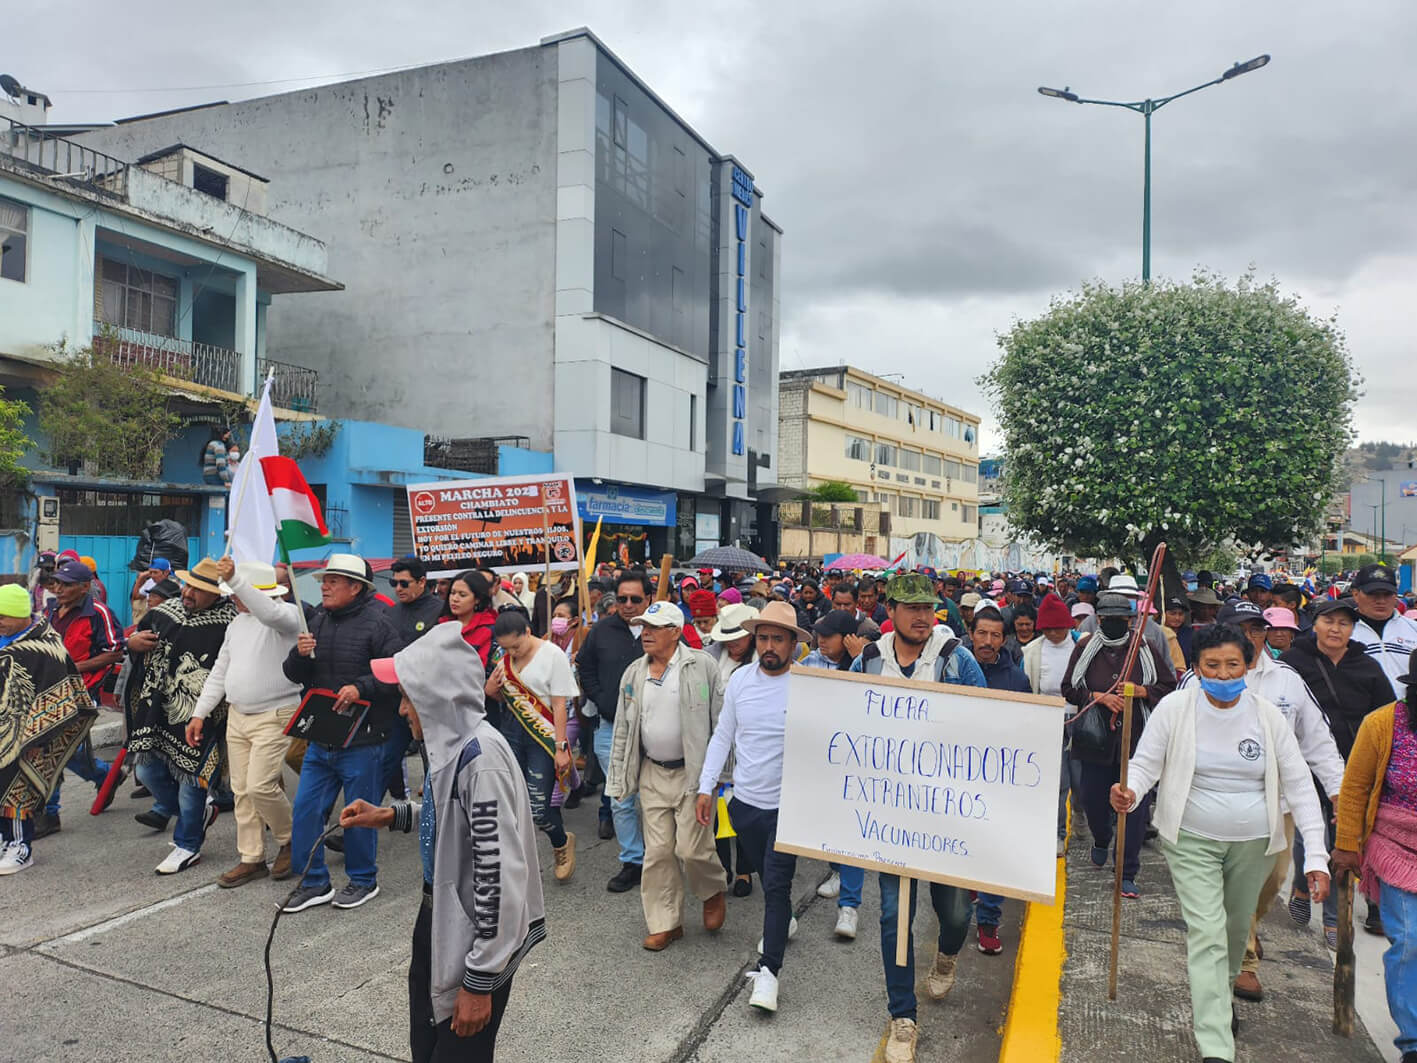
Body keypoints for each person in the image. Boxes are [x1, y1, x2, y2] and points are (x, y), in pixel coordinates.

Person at [1110, 624, 1331, 1063]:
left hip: (1254, 844)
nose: (1224, 674)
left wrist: (1318, 857)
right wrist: (1129, 791)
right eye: (1213, 665)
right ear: (1196, 668)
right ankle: (1215, 1045)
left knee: (1233, 932)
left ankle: (1220, 991)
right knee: (1207, 933)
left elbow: (1301, 787)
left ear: (1248, 666)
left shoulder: (1266, 716)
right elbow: (1144, 764)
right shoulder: (1176, 709)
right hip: (1191, 839)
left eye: (1233, 665)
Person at [342, 621, 545, 1063]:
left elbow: (497, 875)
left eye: (406, 696)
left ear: (436, 695)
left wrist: (480, 981)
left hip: (473, 931)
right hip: (441, 918)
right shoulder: (452, 746)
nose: (401, 710)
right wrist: (390, 815)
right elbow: (451, 820)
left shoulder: (480, 759)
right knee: (428, 1044)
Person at [846, 573, 986, 1063]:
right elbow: (847, 725)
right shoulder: (868, 661)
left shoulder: (956, 661)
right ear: (892, 611)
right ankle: (902, 1015)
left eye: (929, 607)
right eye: (912, 609)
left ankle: (948, 952)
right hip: (892, 818)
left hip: (946, 817)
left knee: (954, 913)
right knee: (893, 914)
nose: (923, 617)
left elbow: (988, 725)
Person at [1176, 598, 1346, 1001]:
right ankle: (1243, 961)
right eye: (1241, 629)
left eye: (1256, 629)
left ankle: (1243, 929)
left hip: (1276, 807)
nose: (1249, 637)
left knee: (1271, 883)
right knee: (1227, 891)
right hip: (1212, 809)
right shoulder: (1195, 681)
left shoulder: (1287, 681)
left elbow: (1318, 742)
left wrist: (1338, 790)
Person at [694, 600, 810, 1014]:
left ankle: (770, 972)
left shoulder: (808, 684)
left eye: (778, 638)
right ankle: (785, 923)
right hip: (744, 804)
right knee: (763, 870)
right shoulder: (741, 680)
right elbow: (723, 736)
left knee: (776, 885)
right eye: (763, 638)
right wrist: (706, 786)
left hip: (787, 807)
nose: (770, 646)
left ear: (794, 643)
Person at [280, 553, 403, 913]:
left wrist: (360, 688)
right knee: (305, 810)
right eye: (324, 580)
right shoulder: (316, 620)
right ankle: (314, 882)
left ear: (356, 587)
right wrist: (300, 655)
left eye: (333, 581)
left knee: (358, 813)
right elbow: (294, 673)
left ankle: (364, 880)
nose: (325, 586)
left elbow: (396, 673)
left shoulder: (379, 624)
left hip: (363, 739)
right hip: (321, 736)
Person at [605, 601, 726, 950]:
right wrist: (619, 778)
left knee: (691, 849)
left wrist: (719, 776)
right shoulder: (634, 673)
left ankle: (712, 889)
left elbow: (720, 722)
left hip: (693, 774)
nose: (646, 633)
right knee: (657, 853)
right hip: (652, 772)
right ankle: (666, 922)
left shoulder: (701, 665)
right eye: (644, 627)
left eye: (654, 628)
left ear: (675, 632)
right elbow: (624, 730)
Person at [1280, 596, 1395, 941]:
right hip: (1305, 762)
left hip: (1356, 766)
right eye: (1329, 621)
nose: (1336, 629)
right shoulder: (1293, 662)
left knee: (1346, 837)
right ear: (1314, 624)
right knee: (1310, 831)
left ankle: (1328, 910)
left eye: (1344, 623)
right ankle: (1316, 899)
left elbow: (1386, 714)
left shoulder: (1367, 667)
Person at [184, 558, 304, 888]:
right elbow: (220, 671)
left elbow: (269, 612)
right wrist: (199, 713)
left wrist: (237, 579)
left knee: (260, 786)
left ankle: (291, 839)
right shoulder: (237, 623)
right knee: (242, 791)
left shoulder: (288, 617)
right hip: (239, 716)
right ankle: (251, 857)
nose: (233, 598)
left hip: (275, 714)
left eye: (237, 592)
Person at [1331, 647, 1417, 1063]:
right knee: (1409, 942)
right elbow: (1355, 788)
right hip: (1394, 843)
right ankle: (1413, 1042)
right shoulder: (1382, 724)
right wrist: (1347, 845)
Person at [125, 558, 237, 874]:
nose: (188, 592)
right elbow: (135, 639)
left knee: (193, 780)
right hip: (155, 711)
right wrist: (132, 642)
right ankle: (196, 815)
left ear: (217, 592)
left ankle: (188, 844)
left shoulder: (230, 621)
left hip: (201, 714)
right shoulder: (164, 611)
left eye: (198, 589)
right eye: (188, 584)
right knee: (147, 773)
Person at [1063, 591, 1177, 898]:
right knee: (1093, 801)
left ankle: (1127, 870)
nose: (1114, 624)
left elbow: (1168, 686)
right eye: (1107, 620)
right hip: (1095, 740)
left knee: (1134, 807)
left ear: (1130, 620)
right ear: (1098, 620)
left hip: (1137, 739)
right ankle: (1102, 838)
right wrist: (1099, 697)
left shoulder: (1145, 648)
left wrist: (1139, 692)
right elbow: (1069, 688)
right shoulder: (1085, 648)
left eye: (1121, 620)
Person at [0, 584, 96, 875]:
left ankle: (20, 847)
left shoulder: (45, 647)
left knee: (17, 789)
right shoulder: (4, 639)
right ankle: (5, 840)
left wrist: (37, 735)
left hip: (29, 734)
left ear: (20, 615)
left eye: (4, 616)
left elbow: (61, 693)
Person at [484, 608, 579, 884]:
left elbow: (560, 704)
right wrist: (490, 688)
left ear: (528, 631)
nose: (512, 652)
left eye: (516, 645)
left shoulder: (552, 655)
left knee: (538, 807)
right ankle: (518, 861)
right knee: (511, 802)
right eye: (506, 648)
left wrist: (561, 747)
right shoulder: (502, 659)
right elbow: (498, 696)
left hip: (543, 737)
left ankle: (561, 842)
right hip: (512, 731)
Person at [577, 570, 651, 892]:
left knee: (654, 799)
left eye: (636, 599)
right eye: (622, 599)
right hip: (611, 728)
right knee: (621, 798)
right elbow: (585, 665)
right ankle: (632, 861)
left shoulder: (660, 629)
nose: (629, 605)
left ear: (649, 599)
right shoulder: (601, 630)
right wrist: (602, 698)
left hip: (656, 730)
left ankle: (660, 860)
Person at [39, 558, 123, 837]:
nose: (58, 589)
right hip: (51, 688)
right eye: (56, 583)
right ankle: (105, 775)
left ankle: (50, 814)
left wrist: (74, 667)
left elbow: (114, 652)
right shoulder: (51, 612)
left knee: (57, 748)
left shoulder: (98, 612)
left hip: (82, 690)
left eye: (65, 584)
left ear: (85, 587)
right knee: (60, 748)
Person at [964, 605, 1031, 956]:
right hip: (957, 777)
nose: (987, 641)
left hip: (998, 782)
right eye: (981, 633)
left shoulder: (1017, 680)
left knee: (995, 850)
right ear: (971, 633)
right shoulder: (953, 669)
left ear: (1003, 639)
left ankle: (988, 920)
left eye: (994, 635)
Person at [798, 607, 867, 940]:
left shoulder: (867, 664)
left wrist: (858, 660)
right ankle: (837, 871)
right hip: (821, 759)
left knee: (851, 828)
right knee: (831, 823)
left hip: (856, 761)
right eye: (818, 634)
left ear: (849, 638)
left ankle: (849, 906)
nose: (820, 640)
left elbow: (875, 699)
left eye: (828, 636)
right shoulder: (810, 662)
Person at [705, 602, 761, 897]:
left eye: (738, 638)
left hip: (749, 749)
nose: (733, 645)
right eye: (727, 639)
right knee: (717, 813)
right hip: (718, 744)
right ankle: (723, 867)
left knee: (745, 813)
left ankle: (745, 871)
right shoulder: (709, 657)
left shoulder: (762, 660)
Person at [1022, 592, 1081, 856]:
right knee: (1058, 782)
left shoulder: (1082, 646)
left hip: (1080, 719)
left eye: (1059, 628)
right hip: (1048, 720)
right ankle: (1057, 833)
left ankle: (1080, 814)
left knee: (1081, 780)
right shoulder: (1032, 652)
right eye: (1048, 629)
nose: (1054, 633)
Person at [1349, 563, 1417, 702]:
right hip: (1360, 718)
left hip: (1409, 716)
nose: (1381, 601)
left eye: (1387, 594)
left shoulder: (1413, 629)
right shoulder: (1343, 632)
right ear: (1355, 594)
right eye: (1373, 594)